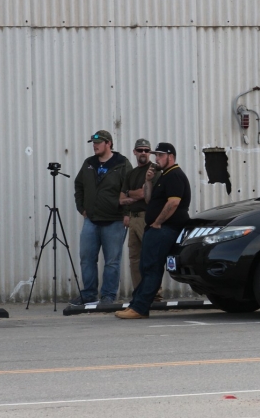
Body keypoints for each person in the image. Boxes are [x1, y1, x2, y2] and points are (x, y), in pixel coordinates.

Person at [116, 142, 191, 319]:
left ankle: (140, 308)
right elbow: (149, 200)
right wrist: (148, 181)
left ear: (170, 157)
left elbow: (173, 203)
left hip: (165, 229)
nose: (156, 158)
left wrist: (157, 223)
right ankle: (136, 304)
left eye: (160, 155)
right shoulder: (164, 175)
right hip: (156, 228)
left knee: (151, 268)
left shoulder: (175, 175)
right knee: (145, 267)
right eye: (156, 155)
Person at [72, 130, 133, 306]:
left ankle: (108, 296)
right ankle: (89, 294)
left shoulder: (122, 164)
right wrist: (81, 207)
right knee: (86, 258)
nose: (95, 146)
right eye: (93, 143)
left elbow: (129, 189)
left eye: (98, 143)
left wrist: (127, 213)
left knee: (112, 261)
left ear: (108, 144)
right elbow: (79, 185)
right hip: (91, 220)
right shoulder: (89, 163)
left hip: (114, 220)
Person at [119, 138, 162, 300]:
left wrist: (130, 193)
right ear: (134, 152)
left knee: (150, 256)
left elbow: (145, 194)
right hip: (133, 218)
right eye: (140, 150)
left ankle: (155, 293)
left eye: (146, 150)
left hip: (147, 217)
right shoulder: (131, 173)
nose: (143, 153)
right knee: (134, 258)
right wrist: (133, 195)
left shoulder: (154, 170)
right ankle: (140, 293)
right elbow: (121, 199)